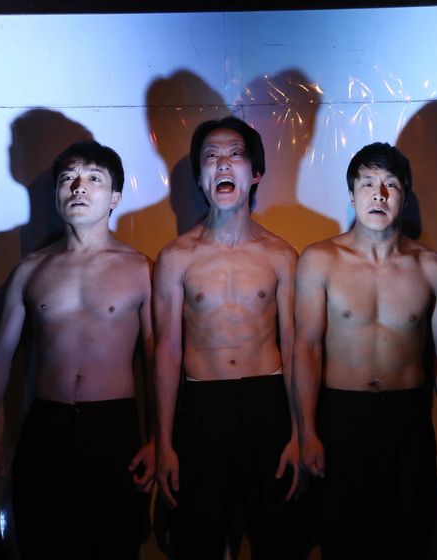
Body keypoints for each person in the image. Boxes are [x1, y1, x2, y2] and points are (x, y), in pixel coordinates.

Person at [0, 141, 155, 560]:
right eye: (68, 179)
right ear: (57, 195)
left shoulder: (141, 269)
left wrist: (159, 439)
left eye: (93, 178)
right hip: (46, 426)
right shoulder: (30, 270)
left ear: (114, 198)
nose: (78, 187)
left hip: (114, 428)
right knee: (43, 544)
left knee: (115, 546)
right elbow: (0, 353)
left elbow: (156, 358)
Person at [293, 142, 437, 558]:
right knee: (341, 540)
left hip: (407, 420)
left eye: (390, 184)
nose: (379, 194)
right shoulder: (320, 260)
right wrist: (307, 431)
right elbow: (307, 348)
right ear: (352, 194)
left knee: (407, 539)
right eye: (367, 183)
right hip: (339, 417)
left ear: (404, 195)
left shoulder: (433, 268)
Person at [153, 116, 304, 559]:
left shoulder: (282, 255)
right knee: (197, 539)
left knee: (276, 538)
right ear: (200, 177)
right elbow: (166, 352)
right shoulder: (175, 257)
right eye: (211, 156)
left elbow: (296, 348)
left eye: (235, 154)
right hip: (202, 406)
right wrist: (164, 442)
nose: (223, 163)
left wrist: (300, 432)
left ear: (255, 173)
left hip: (268, 403)